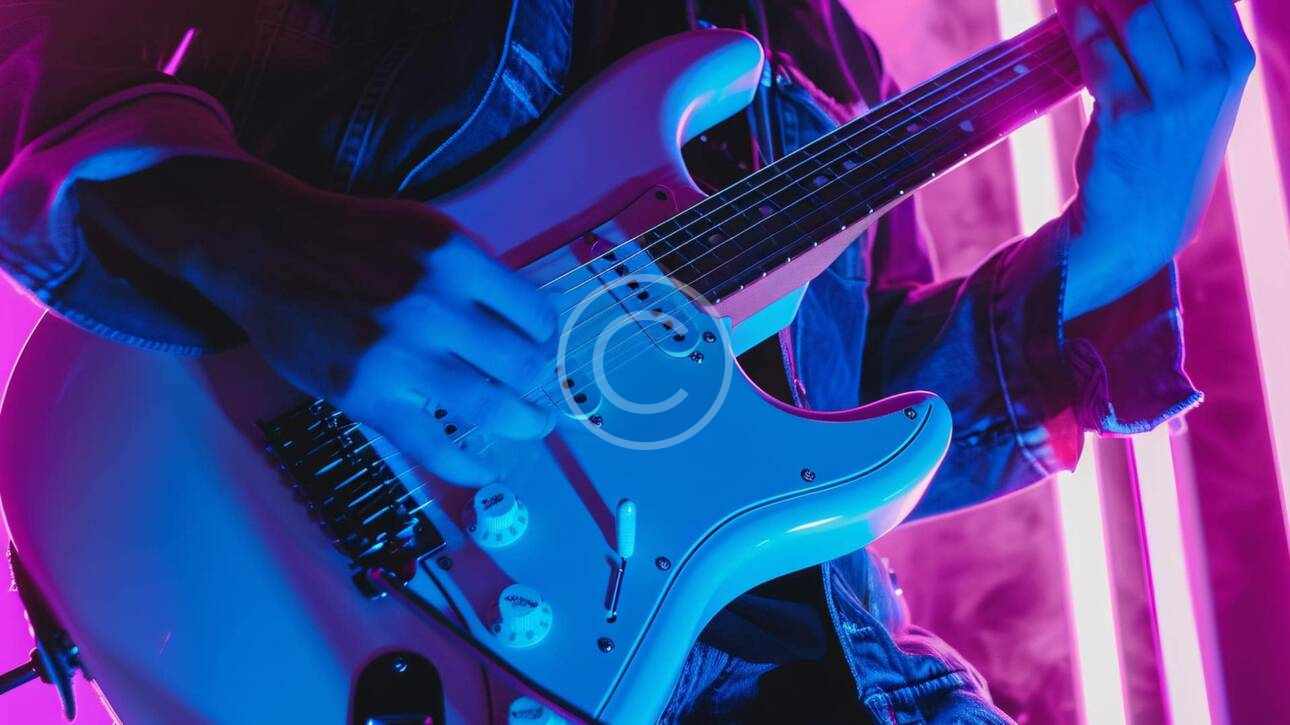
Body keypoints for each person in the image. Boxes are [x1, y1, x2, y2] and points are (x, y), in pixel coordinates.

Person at [0, 0, 1252, 721]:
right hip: (337, 569)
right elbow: (36, 60)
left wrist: (1124, 240)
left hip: (841, 678)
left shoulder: (828, 48)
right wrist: (263, 244)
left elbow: (853, 412)